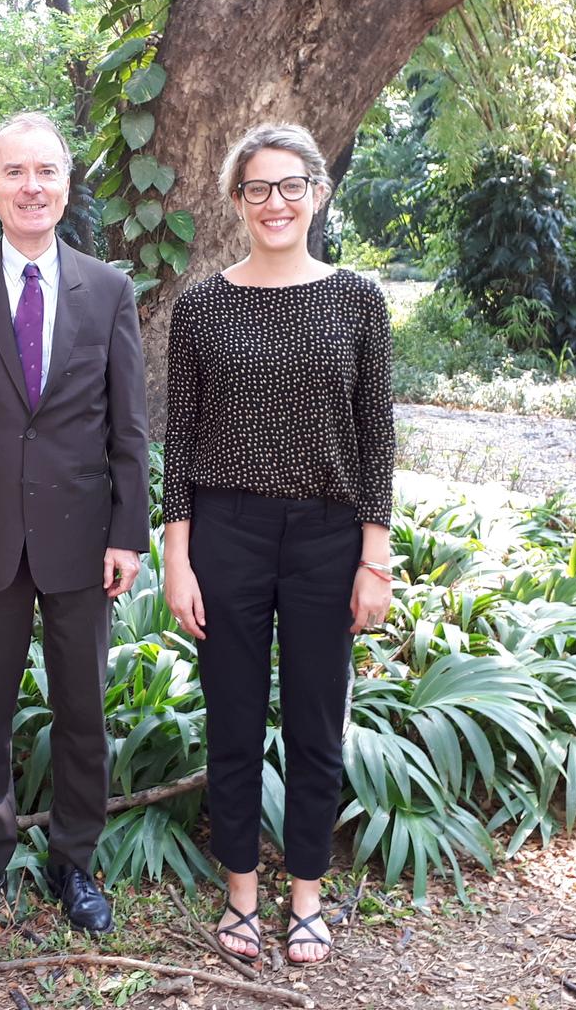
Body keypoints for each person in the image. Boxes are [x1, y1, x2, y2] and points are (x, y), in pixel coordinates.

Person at [163, 123, 394, 965]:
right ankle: (240, 897)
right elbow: (179, 442)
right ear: (236, 200)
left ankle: (306, 896)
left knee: (313, 727)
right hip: (226, 532)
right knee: (231, 718)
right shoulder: (201, 305)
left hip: (328, 539)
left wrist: (375, 558)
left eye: (290, 186)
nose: (275, 203)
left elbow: (378, 440)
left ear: (317, 193)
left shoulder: (358, 300)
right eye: (257, 189)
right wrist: (177, 557)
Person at [0, 111, 150, 935]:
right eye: (14, 173)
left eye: (46, 171)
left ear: (66, 181)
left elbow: (129, 428)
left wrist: (130, 533)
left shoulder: (108, 289)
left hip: (85, 541)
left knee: (83, 709)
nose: (32, 187)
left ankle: (75, 863)